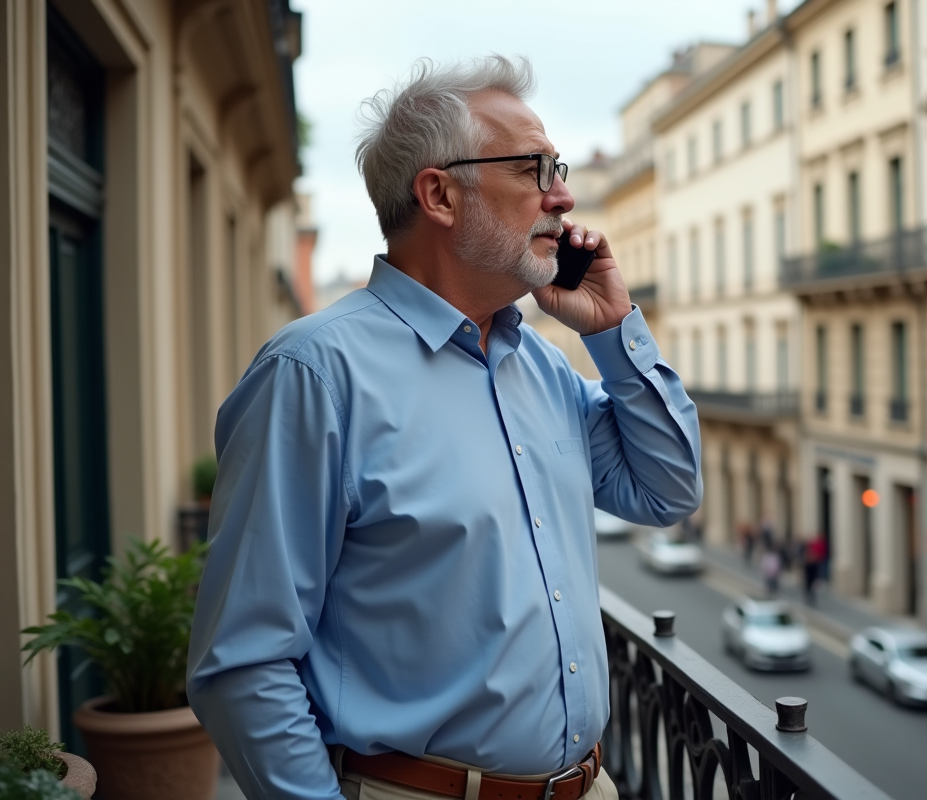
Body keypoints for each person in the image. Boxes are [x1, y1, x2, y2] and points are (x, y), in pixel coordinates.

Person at [186, 56, 702, 800]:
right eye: (535, 168)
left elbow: (668, 490)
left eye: (557, 166)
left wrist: (615, 330)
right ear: (439, 194)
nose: (565, 194)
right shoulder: (313, 375)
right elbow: (243, 661)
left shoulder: (542, 367)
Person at [802, 537, 823, 605]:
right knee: (808, 588)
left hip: (813, 577)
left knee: (812, 589)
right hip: (808, 577)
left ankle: (812, 599)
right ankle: (808, 598)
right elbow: (805, 570)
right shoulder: (807, 561)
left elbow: (816, 570)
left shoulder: (814, 561)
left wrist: (817, 578)